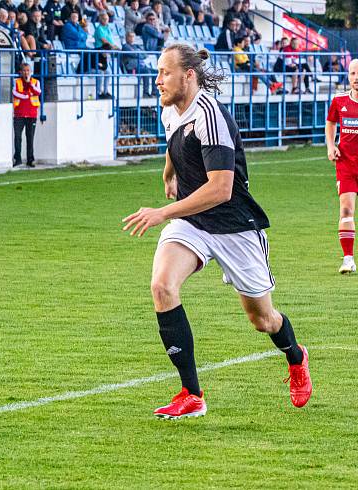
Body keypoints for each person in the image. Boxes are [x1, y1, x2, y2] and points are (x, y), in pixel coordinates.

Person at [122, 44, 312, 419]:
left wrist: (162, 211)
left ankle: (295, 355)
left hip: (233, 226)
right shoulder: (169, 110)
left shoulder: (211, 116)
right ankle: (191, 394)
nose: (157, 80)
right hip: (193, 222)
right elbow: (174, 145)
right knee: (162, 286)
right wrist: (170, 173)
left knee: (263, 320)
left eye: (165, 73)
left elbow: (220, 189)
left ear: (188, 76)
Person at [325, 59, 358, 274]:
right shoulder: (339, 100)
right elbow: (331, 122)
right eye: (353, 73)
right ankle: (348, 259)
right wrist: (330, 145)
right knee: (346, 209)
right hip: (346, 164)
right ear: (348, 75)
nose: (357, 78)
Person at [12, 62, 40, 168]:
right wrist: (27, 95)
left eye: (28, 70)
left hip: (32, 114)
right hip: (19, 114)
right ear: (20, 72)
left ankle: (30, 159)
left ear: (31, 72)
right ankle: (17, 159)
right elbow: (15, 93)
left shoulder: (36, 82)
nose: (26, 73)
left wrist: (30, 85)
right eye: (24, 70)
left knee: (30, 138)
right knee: (18, 137)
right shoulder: (16, 82)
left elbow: (38, 92)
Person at [120, 30, 156, 96]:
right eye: (130, 36)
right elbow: (134, 55)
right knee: (146, 71)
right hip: (133, 68)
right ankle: (145, 93)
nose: (131, 38)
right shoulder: (125, 46)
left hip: (141, 67)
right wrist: (138, 53)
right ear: (126, 38)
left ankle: (154, 92)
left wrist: (137, 53)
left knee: (156, 72)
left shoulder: (137, 46)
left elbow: (145, 55)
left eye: (133, 36)